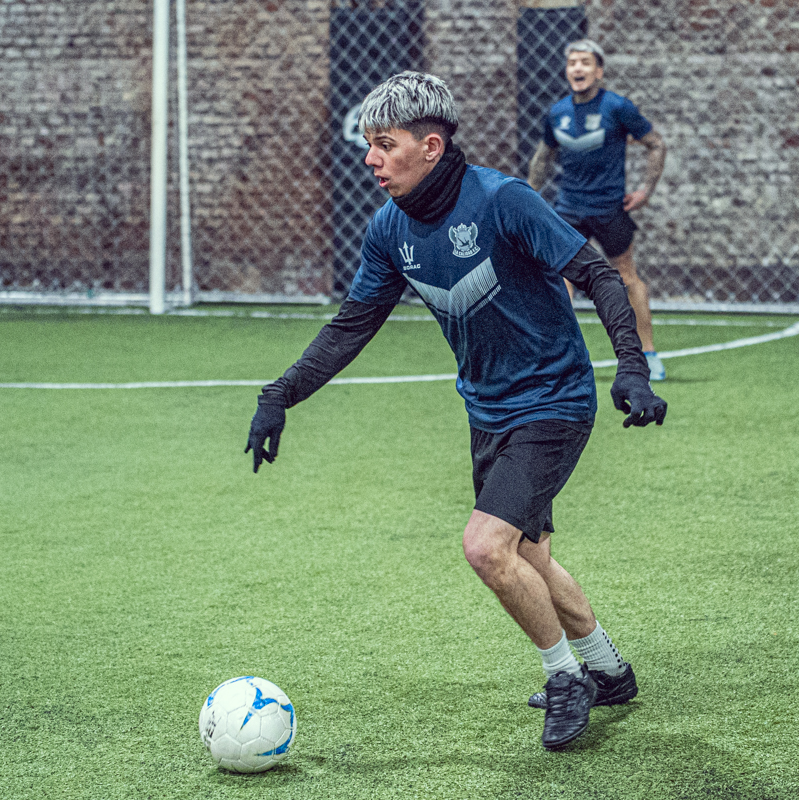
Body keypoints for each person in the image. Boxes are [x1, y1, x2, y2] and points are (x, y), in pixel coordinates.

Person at [245, 71, 667, 751]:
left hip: (554, 401)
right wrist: (279, 394)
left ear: (431, 147)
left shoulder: (503, 200)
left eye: (385, 145)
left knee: (485, 546)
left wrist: (634, 367)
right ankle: (609, 671)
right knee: (528, 554)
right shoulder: (389, 229)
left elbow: (597, 273)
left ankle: (566, 679)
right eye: (370, 145)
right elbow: (352, 326)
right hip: (486, 410)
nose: (370, 159)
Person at [529, 39, 668, 381]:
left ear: (599, 71)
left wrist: (646, 191)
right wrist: (529, 197)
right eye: (572, 62)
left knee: (626, 276)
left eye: (585, 62)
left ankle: (648, 355)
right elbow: (543, 157)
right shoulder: (557, 113)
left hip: (609, 209)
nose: (578, 68)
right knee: (559, 279)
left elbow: (656, 144)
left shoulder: (618, 107)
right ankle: (560, 358)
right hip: (569, 210)